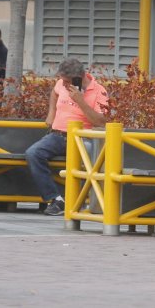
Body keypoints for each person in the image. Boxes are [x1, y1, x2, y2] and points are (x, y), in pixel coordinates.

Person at [25, 58, 108, 216]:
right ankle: (56, 199)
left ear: (80, 77)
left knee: (90, 159)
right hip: (57, 135)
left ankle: (81, 202)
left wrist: (81, 101)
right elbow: (54, 93)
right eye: (62, 80)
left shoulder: (99, 91)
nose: (63, 84)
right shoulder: (60, 84)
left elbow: (101, 121)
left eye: (67, 81)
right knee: (33, 153)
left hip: (83, 138)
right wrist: (51, 114)